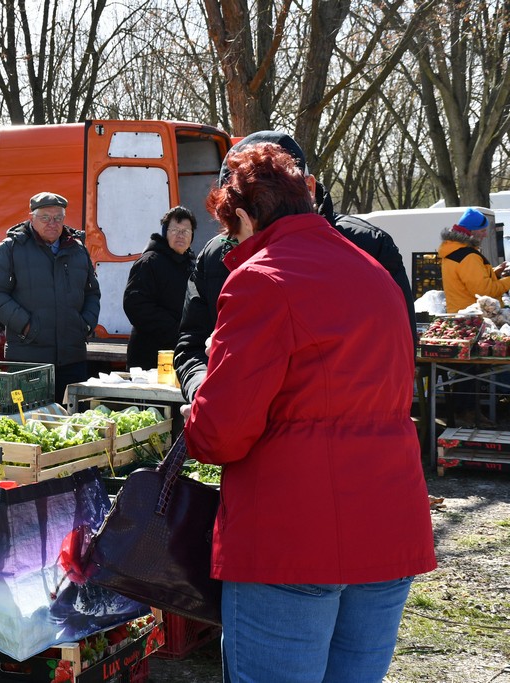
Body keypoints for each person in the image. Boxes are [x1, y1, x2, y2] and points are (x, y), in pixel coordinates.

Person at [183, 141, 436, 682]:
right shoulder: (372, 270)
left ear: (246, 216)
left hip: (291, 537)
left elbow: (219, 435)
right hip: (388, 525)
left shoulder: (260, 279)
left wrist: (200, 394)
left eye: (231, 229)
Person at [174, 131, 416, 403]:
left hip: (339, 422)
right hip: (255, 424)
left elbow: (397, 350)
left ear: (308, 187)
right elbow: (191, 344)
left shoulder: (369, 245)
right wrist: (203, 393)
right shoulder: (215, 255)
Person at [0, 192, 101, 401]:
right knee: (31, 424)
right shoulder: (11, 248)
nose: (52, 223)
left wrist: (86, 324)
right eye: (45, 217)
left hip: (72, 359)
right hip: (29, 361)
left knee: (74, 424)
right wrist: (27, 326)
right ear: (31, 218)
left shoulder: (77, 249)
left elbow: (92, 292)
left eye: (58, 218)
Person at [123, 205, 196, 370]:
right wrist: (175, 330)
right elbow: (136, 305)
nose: (180, 235)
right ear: (165, 232)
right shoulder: (149, 262)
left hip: (181, 354)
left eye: (186, 231)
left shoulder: (192, 264)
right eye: (175, 230)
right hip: (149, 358)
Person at [439, 207, 510, 313]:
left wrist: (495, 273)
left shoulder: (453, 250)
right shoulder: (468, 256)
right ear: (471, 231)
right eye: (483, 230)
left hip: (461, 315)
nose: (485, 235)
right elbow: (485, 292)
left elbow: (470, 282)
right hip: (474, 318)